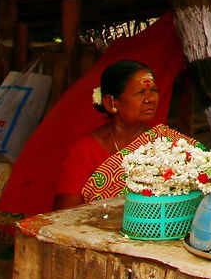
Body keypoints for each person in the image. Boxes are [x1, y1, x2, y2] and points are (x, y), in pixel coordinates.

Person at [53, 59, 172, 210]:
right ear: (110, 103)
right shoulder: (83, 152)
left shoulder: (165, 143)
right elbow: (65, 217)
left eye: (154, 90)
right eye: (140, 92)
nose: (150, 99)